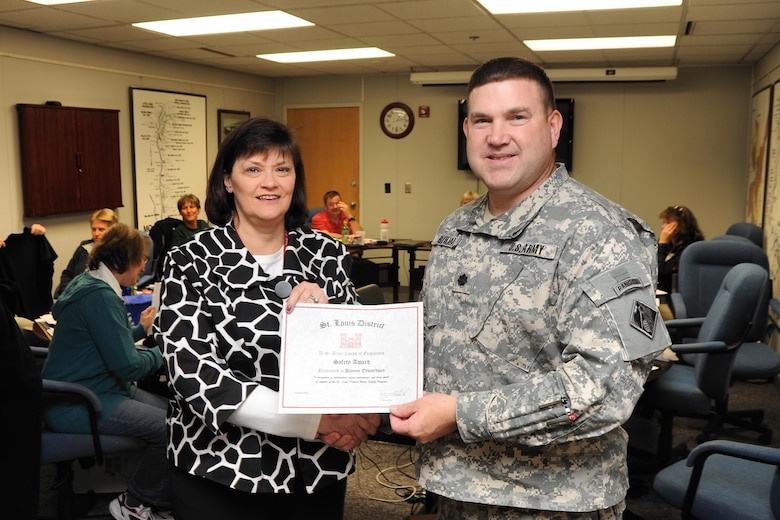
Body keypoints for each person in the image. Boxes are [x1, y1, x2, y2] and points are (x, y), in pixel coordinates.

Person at [388, 57, 671, 520]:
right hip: (454, 487)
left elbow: (603, 389)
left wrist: (459, 414)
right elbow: (432, 349)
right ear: (467, 130)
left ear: (553, 127)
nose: (497, 136)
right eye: (483, 120)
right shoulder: (454, 230)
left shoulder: (600, 234)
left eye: (517, 117)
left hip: (549, 502)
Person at [154, 117, 380, 520]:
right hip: (220, 467)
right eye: (253, 169)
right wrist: (319, 421)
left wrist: (328, 316)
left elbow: (361, 353)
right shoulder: (190, 259)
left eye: (282, 169)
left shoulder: (325, 254)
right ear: (228, 180)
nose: (270, 183)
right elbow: (196, 376)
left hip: (315, 468)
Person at [41, 223, 169, 520]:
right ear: (123, 260)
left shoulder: (88, 283)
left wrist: (141, 329)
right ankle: (134, 502)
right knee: (171, 428)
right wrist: (165, 352)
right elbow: (128, 365)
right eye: (140, 260)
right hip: (82, 401)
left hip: (87, 390)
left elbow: (106, 339)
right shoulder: (101, 297)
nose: (142, 268)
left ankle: (155, 497)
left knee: (173, 413)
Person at [53, 208, 118, 298]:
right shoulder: (84, 248)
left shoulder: (118, 251)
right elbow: (68, 274)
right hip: (75, 296)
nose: (96, 233)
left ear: (112, 230)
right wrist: (68, 292)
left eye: (101, 229)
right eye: (93, 229)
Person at [657, 204, 705, 293]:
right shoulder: (670, 243)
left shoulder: (692, 248)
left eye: (668, 222)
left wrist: (662, 243)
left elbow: (659, 274)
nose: (663, 227)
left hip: (675, 296)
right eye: (663, 222)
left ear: (681, 225)